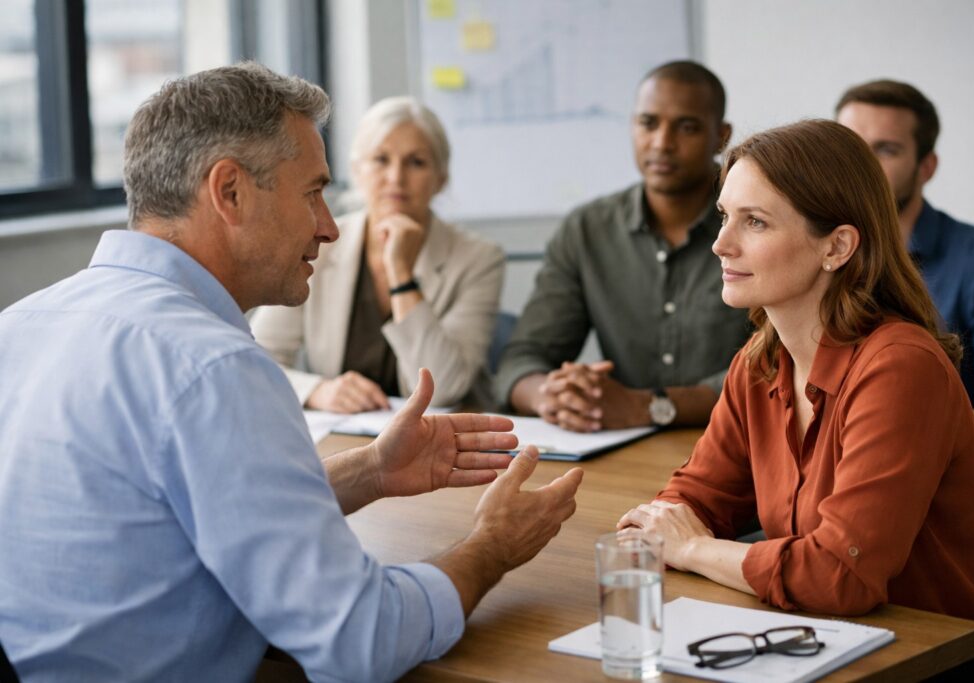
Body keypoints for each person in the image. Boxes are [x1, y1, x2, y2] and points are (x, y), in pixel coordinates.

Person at [0, 63, 583, 682]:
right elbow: (362, 640)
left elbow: (175, 514)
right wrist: (491, 546)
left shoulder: (20, 325)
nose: (329, 226)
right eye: (312, 192)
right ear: (229, 192)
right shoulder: (214, 368)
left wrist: (373, 470)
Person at [619, 120, 974, 631]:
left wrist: (694, 548)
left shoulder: (901, 368)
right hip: (828, 635)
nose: (721, 244)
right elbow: (692, 500)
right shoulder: (759, 362)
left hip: (944, 651)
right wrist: (663, 529)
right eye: (724, 216)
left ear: (836, 247)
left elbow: (840, 577)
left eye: (756, 222)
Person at [494, 60, 750, 433]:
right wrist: (552, 395)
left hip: (739, 445)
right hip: (623, 447)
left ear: (721, 137)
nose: (662, 143)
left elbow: (775, 367)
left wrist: (650, 406)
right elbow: (523, 358)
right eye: (648, 123)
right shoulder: (587, 230)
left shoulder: (757, 225)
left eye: (687, 127)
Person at [251, 96, 504, 413]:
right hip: (346, 437)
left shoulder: (478, 259)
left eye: (416, 162)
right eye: (381, 160)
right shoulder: (317, 244)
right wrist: (316, 390)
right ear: (357, 171)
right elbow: (255, 358)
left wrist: (400, 272)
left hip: (442, 440)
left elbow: (443, 390)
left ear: (440, 179)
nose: (396, 177)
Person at [836, 79, 974, 431]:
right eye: (851, 149)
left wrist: (902, 438)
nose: (861, 167)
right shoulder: (815, 254)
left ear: (926, 167)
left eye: (886, 150)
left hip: (940, 471)